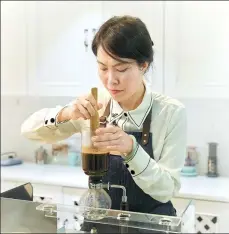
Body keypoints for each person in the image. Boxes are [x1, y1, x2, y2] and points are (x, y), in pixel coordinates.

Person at [21, 15, 186, 232]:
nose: (110, 80)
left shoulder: (170, 113)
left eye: (121, 69)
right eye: (102, 67)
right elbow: (28, 131)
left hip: (152, 226)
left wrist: (131, 150)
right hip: (100, 225)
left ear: (143, 65)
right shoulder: (96, 105)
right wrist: (66, 113)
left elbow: (166, 189)